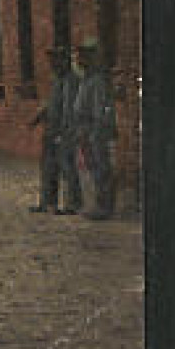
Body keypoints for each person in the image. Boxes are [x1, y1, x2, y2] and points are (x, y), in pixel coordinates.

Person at [29, 46, 81, 215]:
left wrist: (62, 132)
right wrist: (38, 117)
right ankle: (47, 202)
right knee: (48, 167)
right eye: (51, 61)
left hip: (63, 131)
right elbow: (51, 102)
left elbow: (68, 110)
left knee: (67, 167)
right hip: (51, 130)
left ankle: (72, 204)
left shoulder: (71, 80)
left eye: (56, 60)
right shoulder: (57, 79)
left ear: (65, 61)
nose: (52, 64)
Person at [72, 38, 117, 220]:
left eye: (83, 56)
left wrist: (93, 133)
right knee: (92, 167)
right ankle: (98, 204)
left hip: (95, 131)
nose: (78, 60)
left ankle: (104, 207)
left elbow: (100, 110)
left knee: (101, 168)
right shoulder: (86, 79)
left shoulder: (97, 80)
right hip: (87, 129)